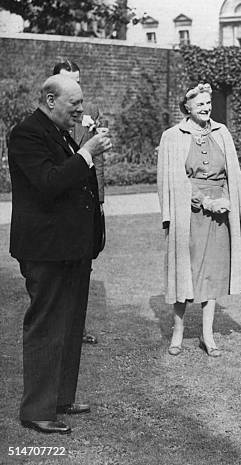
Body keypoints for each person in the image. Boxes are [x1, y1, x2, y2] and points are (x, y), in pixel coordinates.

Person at [8, 75, 111, 434]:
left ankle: (61, 398)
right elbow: (49, 183)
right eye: (74, 104)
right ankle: (36, 410)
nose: (80, 110)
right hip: (46, 250)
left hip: (71, 249)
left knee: (69, 326)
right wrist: (87, 153)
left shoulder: (61, 133)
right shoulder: (26, 134)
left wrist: (84, 152)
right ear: (50, 100)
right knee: (47, 326)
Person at [157, 83, 241, 357]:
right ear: (186, 107)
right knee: (183, 271)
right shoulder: (173, 136)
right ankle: (177, 333)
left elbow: (232, 174)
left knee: (212, 273)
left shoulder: (222, 132)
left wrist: (226, 199)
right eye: (199, 104)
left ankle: (207, 334)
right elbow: (175, 180)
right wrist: (205, 201)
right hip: (187, 212)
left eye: (208, 103)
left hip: (219, 215)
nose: (205, 108)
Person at [53, 59, 104, 345]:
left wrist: (100, 199)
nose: (75, 88)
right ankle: (56, 325)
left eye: (78, 81)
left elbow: (100, 157)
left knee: (84, 263)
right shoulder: (46, 117)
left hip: (86, 202)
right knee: (59, 265)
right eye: (68, 81)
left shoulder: (89, 111)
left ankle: (76, 327)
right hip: (61, 203)